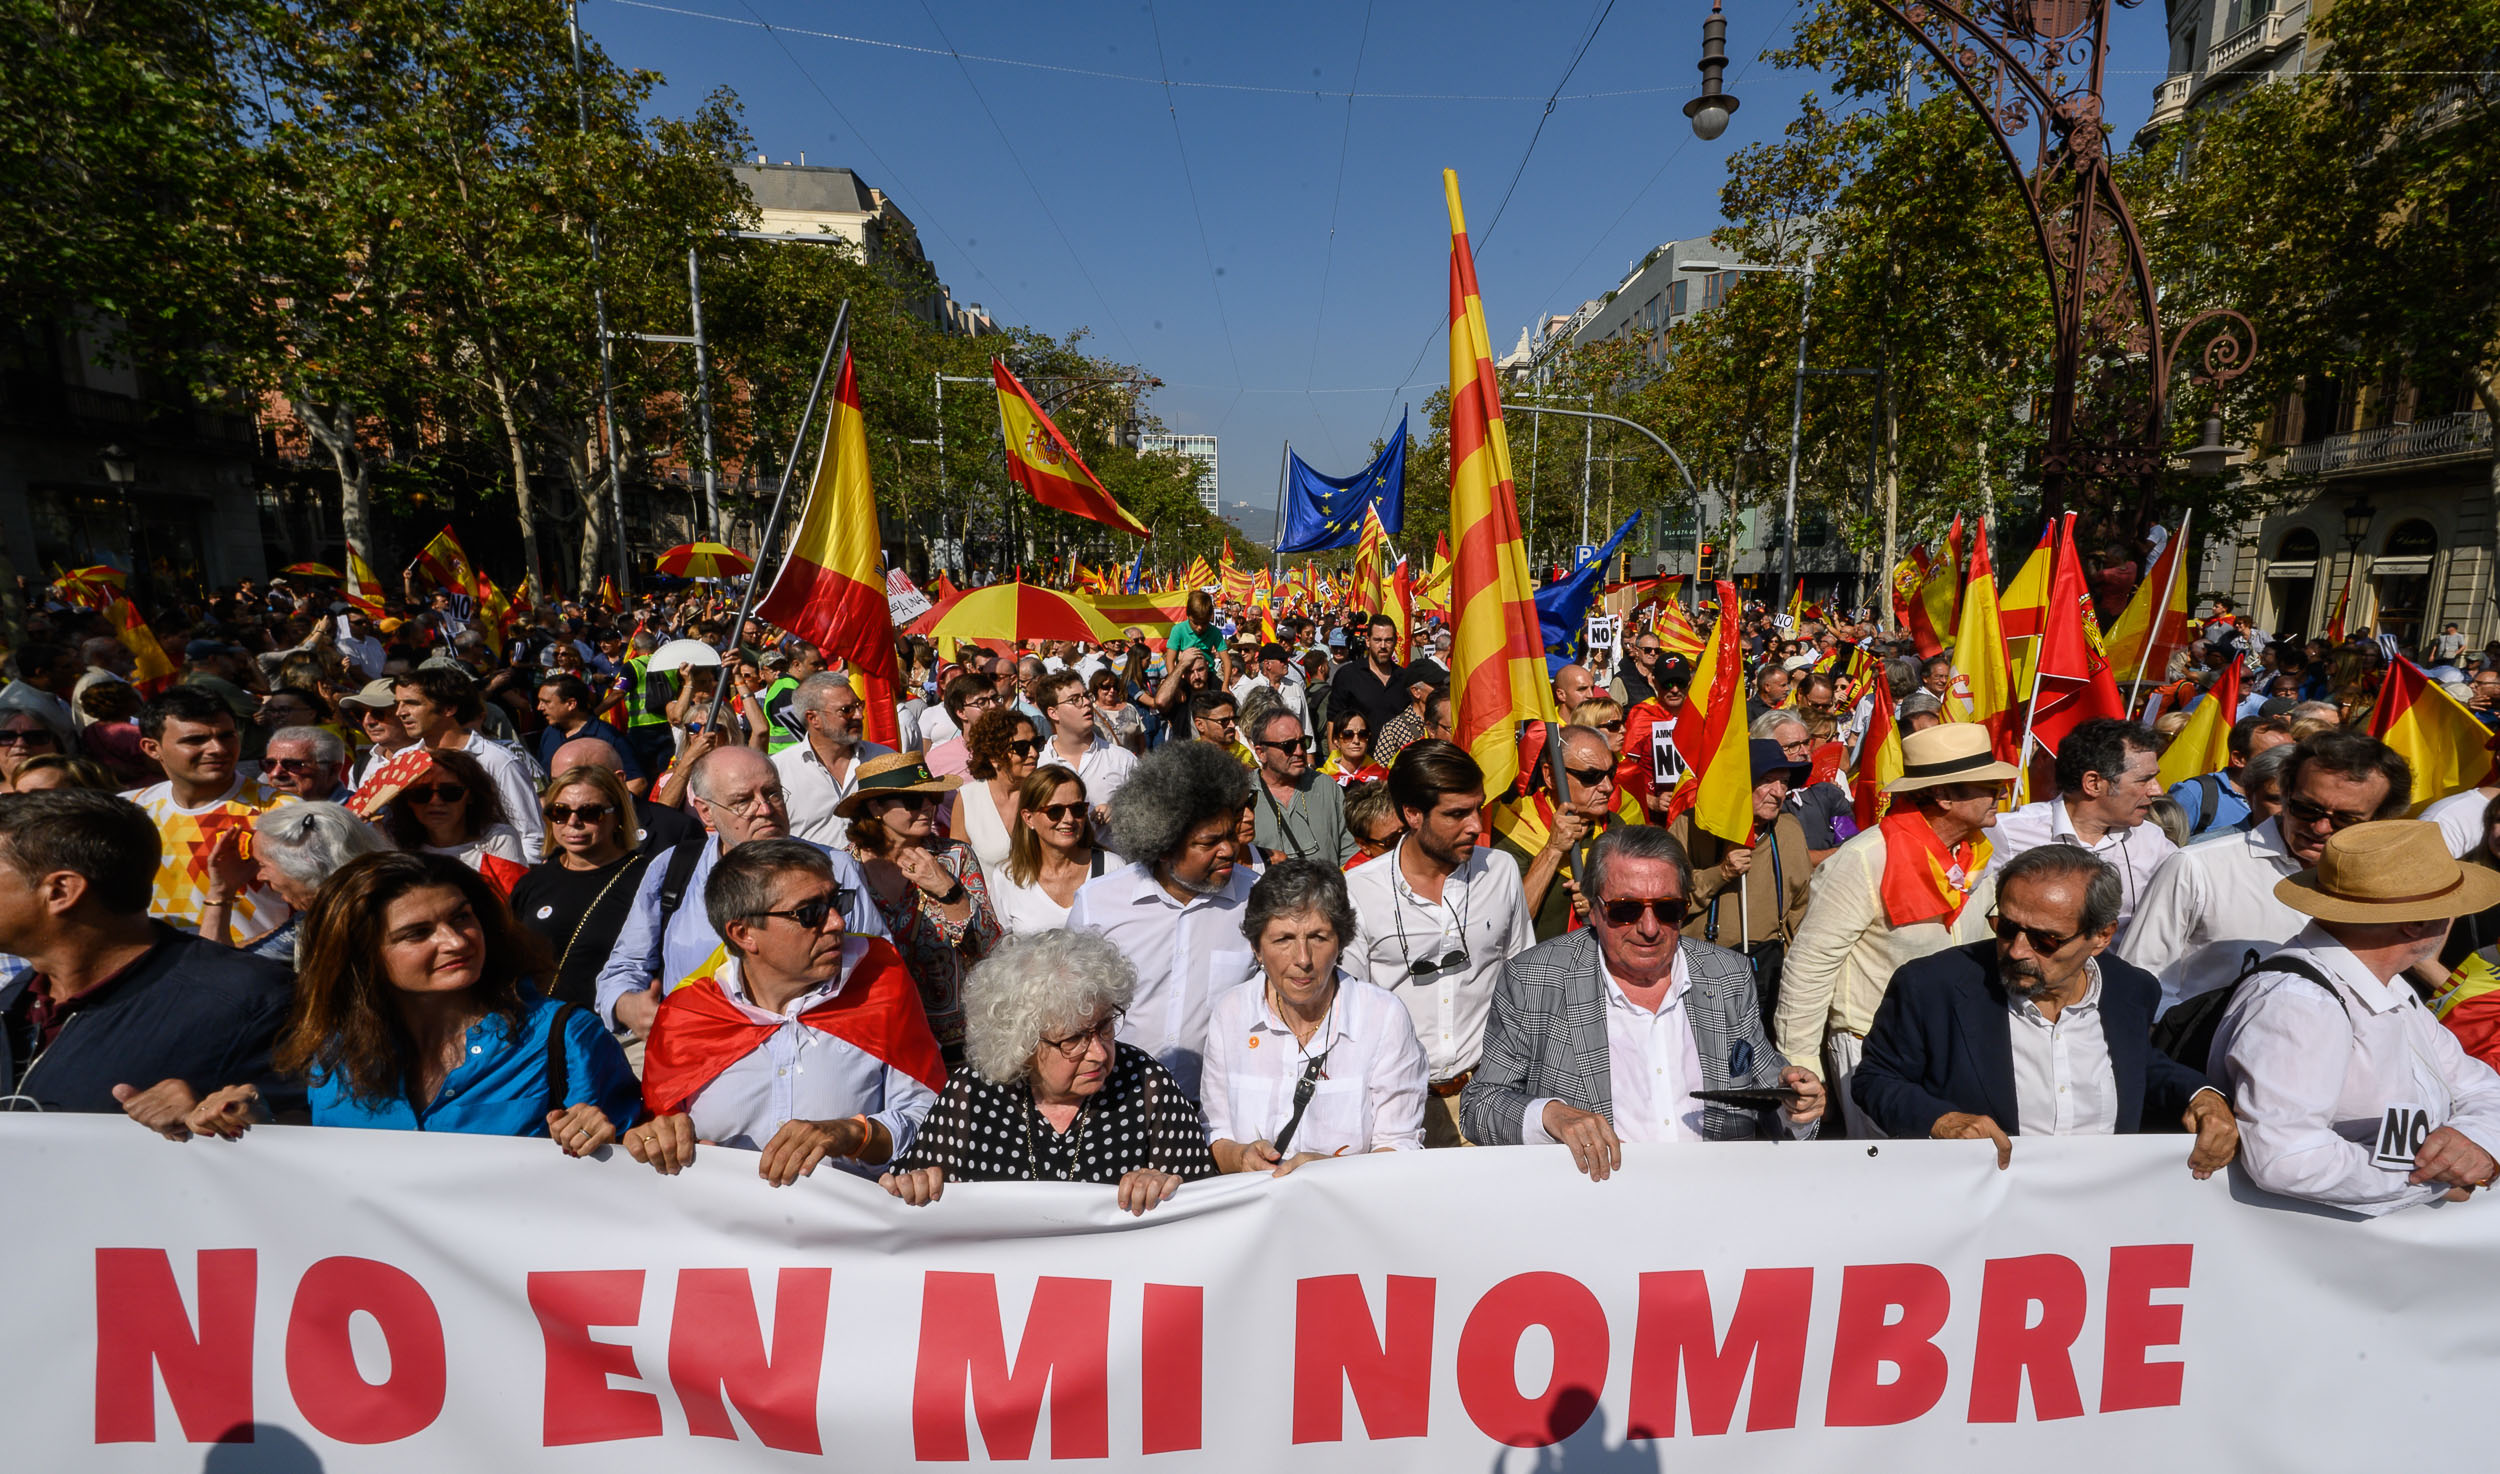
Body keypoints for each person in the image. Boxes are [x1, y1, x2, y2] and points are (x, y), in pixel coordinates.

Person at [182, 851, 638, 1149]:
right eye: (417, 934)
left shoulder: (564, 1036)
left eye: (462, 918)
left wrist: (613, 1137)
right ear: (361, 957)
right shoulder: (332, 1053)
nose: (456, 941)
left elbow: (629, 1167)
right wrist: (254, 1126)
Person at [1461, 825, 1825, 1173]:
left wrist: (1797, 1103)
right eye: (1626, 910)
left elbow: (1765, 1085)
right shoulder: (1536, 979)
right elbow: (1480, 1105)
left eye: (1667, 910)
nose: (1649, 928)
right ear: (1594, 908)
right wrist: (1550, 1116)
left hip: (1713, 1203)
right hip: (1596, 1206)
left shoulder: (1726, 975)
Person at [1853, 846, 2240, 1172]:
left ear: (2101, 936)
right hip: (1976, 1216)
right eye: (2005, 927)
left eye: (2045, 940)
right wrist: (1941, 1121)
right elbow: (1876, 1078)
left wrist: (2200, 1094)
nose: (2018, 950)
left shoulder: (2129, 990)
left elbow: (2136, 1063)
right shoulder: (1933, 987)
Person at [2212, 821, 2500, 1215]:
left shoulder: (2389, 987)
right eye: (2450, 907)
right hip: (2310, 1255)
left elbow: (2481, 1087)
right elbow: (2288, 1158)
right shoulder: (2301, 1004)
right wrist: (2428, 1180)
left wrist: (2476, 1140)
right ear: (2416, 923)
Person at [626, 838, 944, 1185]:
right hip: (719, 1230)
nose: (837, 923)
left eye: (837, 902)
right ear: (744, 933)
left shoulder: (880, 980)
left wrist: (856, 1134)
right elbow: (652, 1135)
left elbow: (930, 1121)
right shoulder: (687, 1015)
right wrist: (657, 1138)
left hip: (848, 1231)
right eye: (810, 913)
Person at [0, 790, 293, 1127]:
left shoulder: (249, 1002)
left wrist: (232, 1117)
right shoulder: (16, 1002)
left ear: (60, 891)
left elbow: (320, 1142)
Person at [1776, 722, 2012, 1137]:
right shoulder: (1864, 859)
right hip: (1874, 1050)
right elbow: (1810, 967)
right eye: (1987, 784)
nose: (2001, 792)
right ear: (1943, 795)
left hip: (1956, 1042)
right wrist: (1803, 1068)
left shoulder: (1978, 855)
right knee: (1887, 1183)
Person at [878, 929, 1214, 1212]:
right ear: (1022, 1044)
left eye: (1104, 1027)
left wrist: (1169, 1188)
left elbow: (1210, 1205)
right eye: (1074, 1039)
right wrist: (915, 1185)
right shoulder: (973, 1092)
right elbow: (906, 1188)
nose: (1098, 1053)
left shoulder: (1145, 1083)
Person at [592, 745, 886, 1044]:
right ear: (706, 811)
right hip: (697, 1055)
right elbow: (625, 966)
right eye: (743, 801)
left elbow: (878, 964)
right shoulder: (673, 868)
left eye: (772, 793)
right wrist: (628, 1006)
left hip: (812, 1052)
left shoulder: (835, 869)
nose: (765, 809)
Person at [2120, 731, 2412, 1013]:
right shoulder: (2197, 867)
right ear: (2285, 794)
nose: (2320, 828)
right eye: (2307, 809)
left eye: (2346, 819)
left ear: (2378, 820)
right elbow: (2139, 982)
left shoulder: (2383, 888)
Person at [1342, 742, 1533, 1147]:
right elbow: (1349, 1010)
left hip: (1489, 1098)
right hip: (1396, 1112)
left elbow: (1524, 985)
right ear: (1412, 814)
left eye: (1477, 808)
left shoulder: (1500, 871)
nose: (1476, 825)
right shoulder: (1357, 890)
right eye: (1456, 814)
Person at [1202, 860, 1428, 1171]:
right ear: (1256, 948)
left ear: (1341, 942)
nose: (1303, 959)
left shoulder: (1383, 1017)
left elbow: (1401, 1144)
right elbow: (1216, 1132)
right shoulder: (1231, 1014)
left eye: (1318, 938)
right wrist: (1240, 1157)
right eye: (1283, 940)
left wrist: (1331, 1173)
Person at [1067, 740, 1258, 1098]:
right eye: (1209, 842)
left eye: (1231, 835)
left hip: (1216, 1110)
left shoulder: (1260, 902)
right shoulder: (1099, 903)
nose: (1229, 849)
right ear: (1164, 845)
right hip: (1115, 1105)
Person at [839, 751, 1001, 1061]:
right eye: (914, 801)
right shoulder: (846, 868)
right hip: (879, 1038)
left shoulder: (955, 857)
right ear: (875, 807)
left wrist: (948, 890)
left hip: (958, 1043)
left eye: (931, 797)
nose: (928, 807)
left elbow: (989, 945)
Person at [1987, 718, 2175, 946]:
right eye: (2144, 780)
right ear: (2093, 783)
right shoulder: (2008, 833)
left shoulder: (2152, 840)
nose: (2157, 790)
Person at [1672, 738, 1814, 1035]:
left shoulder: (1789, 831)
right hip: (1701, 975)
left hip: (1768, 975)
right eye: (1767, 781)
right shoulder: (1691, 827)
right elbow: (1667, 900)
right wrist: (1719, 873)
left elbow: (1800, 913)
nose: (1778, 793)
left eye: (1784, 783)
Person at [130, 686, 292, 942]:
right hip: (156, 974)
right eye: (195, 740)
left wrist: (245, 954)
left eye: (227, 736)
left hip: (252, 972)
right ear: (152, 748)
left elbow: (322, 909)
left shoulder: (284, 811)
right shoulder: (129, 812)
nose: (218, 749)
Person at [509, 766, 651, 1011]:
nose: (573, 822)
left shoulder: (649, 878)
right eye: (560, 812)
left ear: (617, 816)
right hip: (541, 1029)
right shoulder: (533, 882)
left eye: (590, 813)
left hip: (616, 1033)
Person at [199, 801, 391, 966]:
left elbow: (213, 968)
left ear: (305, 867)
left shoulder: (332, 928)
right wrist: (222, 889)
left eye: (262, 865)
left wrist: (220, 893)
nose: (259, 877)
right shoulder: (317, 920)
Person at [395, 666, 544, 862]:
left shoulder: (497, 760)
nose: (400, 712)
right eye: (398, 704)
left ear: (449, 708)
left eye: (412, 703)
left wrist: (513, 885)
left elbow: (531, 837)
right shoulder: (402, 760)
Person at [1493, 723, 1622, 940]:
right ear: (1551, 776)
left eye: (1611, 772)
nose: (1607, 786)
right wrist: (1552, 849)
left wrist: (1603, 903)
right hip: (1535, 966)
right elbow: (1509, 921)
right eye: (1591, 776)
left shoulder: (1615, 827)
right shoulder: (1513, 827)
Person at [376, 748, 529, 895]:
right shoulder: (395, 847)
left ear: (471, 796)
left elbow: (513, 904)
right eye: (420, 793)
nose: (435, 801)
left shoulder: (497, 838)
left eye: (450, 792)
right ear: (407, 801)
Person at [770, 672, 896, 849]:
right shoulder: (778, 771)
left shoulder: (886, 760)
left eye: (859, 705)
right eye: (847, 710)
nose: (859, 715)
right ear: (813, 719)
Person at [990, 766, 1102, 935]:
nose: (1069, 819)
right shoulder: (1006, 877)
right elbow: (1003, 948)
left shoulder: (1112, 868)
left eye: (1077, 809)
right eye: (1055, 811)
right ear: (1028, 818)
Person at [1246, 705, 1356, 867]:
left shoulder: (1326, 786)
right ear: (1261, 752)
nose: (1299, 751)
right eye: (1288, 746)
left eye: (1303, 743)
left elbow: (1350, 851)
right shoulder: (1243, 794)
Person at [947, 706, 1040, 875]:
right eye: (1022, 747)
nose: (1033, 753)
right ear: (994, 755)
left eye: (1036, 744)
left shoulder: (1045, 793)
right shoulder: (968, 799)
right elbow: (958, 867)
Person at [1037, 669, 1137, 810]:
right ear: (1053, 713)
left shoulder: (1122, 760)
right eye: (1075, 700)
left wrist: (1117, 810)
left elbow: (1148, 810)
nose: (1086, 703)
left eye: (1086, 696)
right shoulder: (1038, 764)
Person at [533, 673, 646, 793]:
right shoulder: (550, 733)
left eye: (546, 702)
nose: (539, 707)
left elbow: (637, 782)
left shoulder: (608, 736)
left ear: (571, 704)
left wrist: (608, 809)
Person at [1332, 614, 1411, 737]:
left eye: (1388, 640)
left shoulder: (1405, 678)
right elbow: (1333, 721)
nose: (1383, 646)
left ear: (1395, 641)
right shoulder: (1348, 675)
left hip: (1398, 755)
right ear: (1368, 641)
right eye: (1378, 640)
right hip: (1359, 754)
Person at [925, 672, 1002, 779]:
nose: (993, 706)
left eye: (995, 698)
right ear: (961, 712)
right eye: (982, 702)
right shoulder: (937, 759)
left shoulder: (1017, 747)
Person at [1372, 662, 1446, 765]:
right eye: (1435, 684)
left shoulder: (1448, 720)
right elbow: (1380, 773)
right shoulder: (1393, 729)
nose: (1442, 688)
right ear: (1416, 691)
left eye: (1442, 683)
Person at [258, 725, 353, 803]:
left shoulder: (360, 814)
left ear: (333, 770)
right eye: (269, 764)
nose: (275, 773)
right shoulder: (256, 812)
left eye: (293, 765)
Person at [1320, 707, 1385, 786]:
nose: (1356, 741)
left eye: (1362, 734)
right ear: (1335, 740)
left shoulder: (1381, 777)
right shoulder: (1322, 778)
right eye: (1348, 735)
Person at [1342, 779, 1402, 865]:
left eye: (1407, 832)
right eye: (1393, 840)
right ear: (1364, 845)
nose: (1404, 844)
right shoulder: (1353, 877)